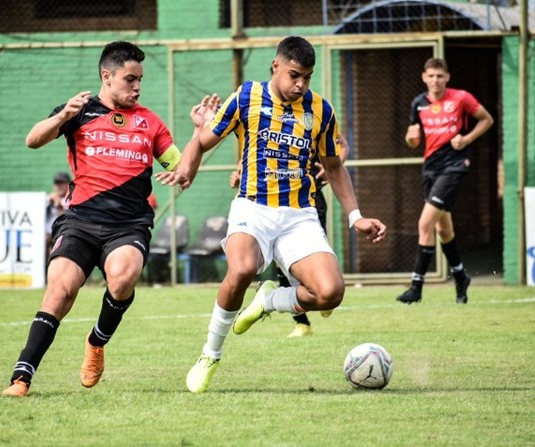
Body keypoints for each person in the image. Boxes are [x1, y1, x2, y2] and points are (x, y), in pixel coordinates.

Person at [157, 36, 386, 393]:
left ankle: (270, 299)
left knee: (331, 293)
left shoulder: (321, 111)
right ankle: (209, 355)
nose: (300, 84)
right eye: (295, 75)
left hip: (299, 215)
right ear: (276, 66)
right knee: (243, 269)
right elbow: (202, 139)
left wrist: (356, 216)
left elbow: (334, 167)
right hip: (253, 208)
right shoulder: (246, 96)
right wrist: (188, 167)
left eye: (307, 77)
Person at [2, 40, 219, 397]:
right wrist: (61, 117)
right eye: (129, 79)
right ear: (107, 75)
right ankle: (21, 378)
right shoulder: (80, 111)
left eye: (140, 80)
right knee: (59, 292)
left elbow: (182, 172)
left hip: (129, 224)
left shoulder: (150, 123)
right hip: (80, 222)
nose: (137, 87)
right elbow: (32, 140)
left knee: (122, 278)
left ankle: (96, 341)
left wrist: (200, 133)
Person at [229, 134, 350, 338]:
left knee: (313, 265)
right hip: (270, 205)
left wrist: (332, 168)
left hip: (307, 204)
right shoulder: (261, 117)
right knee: (283, 267)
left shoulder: (316, 112)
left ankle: (321, 293)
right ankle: (302, 322)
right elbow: (252, 156)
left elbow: (343, 146)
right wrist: (239, 172)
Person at [396, 58, 493, 305]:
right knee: (443, 229)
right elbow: (413, 140)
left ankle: (416, 287)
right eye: (431, 76)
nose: (435, 80)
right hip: (431, 169)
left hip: (454, 167)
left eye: (440, 76)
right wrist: (410, 138)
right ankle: (461, 277)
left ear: (447, 77)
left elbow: (486, 119)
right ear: (424, 77)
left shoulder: (461, 98)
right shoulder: (418, 104)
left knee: (425, 223)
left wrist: (467, 139)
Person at [45, 171, 71, 255]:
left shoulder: (72, 200)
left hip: (65, 234)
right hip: (49, 233)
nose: (59, 186)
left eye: (62, 183)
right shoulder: (49, 198)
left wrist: (59, 206)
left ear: (68, 185)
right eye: (57, 183)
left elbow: (68, 222)